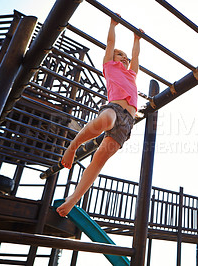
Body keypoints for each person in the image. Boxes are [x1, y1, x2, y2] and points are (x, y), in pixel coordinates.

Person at [56, 15, 143, 217]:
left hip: (128, 122)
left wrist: (136, 40)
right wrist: (113, 25)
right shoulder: (109, 67)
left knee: (100, 159)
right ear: (111, 59)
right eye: (119, 55)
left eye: (125, 57)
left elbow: (136, 58)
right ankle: (72, 147)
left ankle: (73, 198)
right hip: (114, 109)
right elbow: (110, 43)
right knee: (106, 120)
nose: (124, 58)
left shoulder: (131, 74)